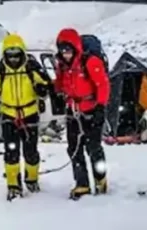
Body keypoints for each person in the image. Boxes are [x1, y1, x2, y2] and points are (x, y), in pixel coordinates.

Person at [0, 33, 52, 201]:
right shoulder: (0, 69)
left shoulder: (31, 66)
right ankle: (13, 185)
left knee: (31, 152)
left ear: (22, 53)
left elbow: (47, 84)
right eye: (10, 55)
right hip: (9, 116)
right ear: (4, 54)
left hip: (30, 115)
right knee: (11, 152)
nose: (13, 59)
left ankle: (32, 180)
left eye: (16, 55)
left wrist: (42, 90)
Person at [54, 28, 110, 200]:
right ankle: (82, 184)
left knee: (94, 148)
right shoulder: (62, 66)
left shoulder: (90, 62)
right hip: (73, 112)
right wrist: (52, 89)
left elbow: (103, 84)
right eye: (62, 50)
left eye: (68, 50)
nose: (65, 54)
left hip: (92, 110)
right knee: (74, 148)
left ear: (75, 48)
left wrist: (100, 107)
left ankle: (100, 179)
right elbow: (60, 85)